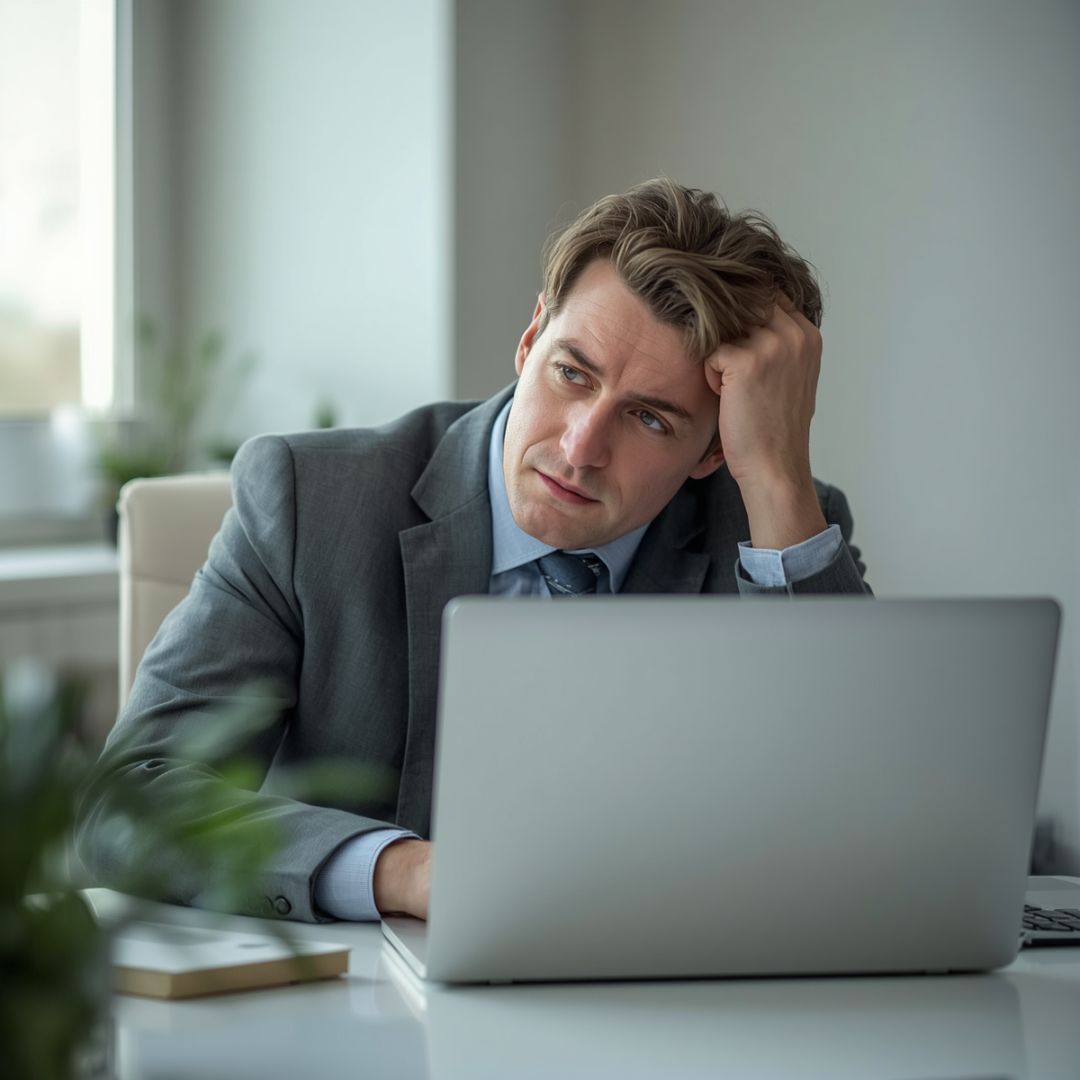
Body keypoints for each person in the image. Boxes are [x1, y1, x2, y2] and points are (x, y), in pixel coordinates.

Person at [76, 179, 870, 924]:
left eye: (651, 419)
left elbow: (872, 818)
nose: (581, 445)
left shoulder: (773, 529)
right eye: (572, 373)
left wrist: (774, 479)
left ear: (711, 451)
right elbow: (126, 803)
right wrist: (410, 872)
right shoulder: (309, 501)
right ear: (529, 341)